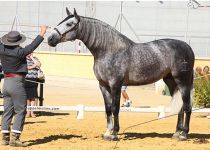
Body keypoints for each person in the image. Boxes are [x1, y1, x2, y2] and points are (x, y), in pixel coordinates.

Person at [0, 25, 48, 147]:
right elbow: (33, 45)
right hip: (17, 83)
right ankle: (15, 138)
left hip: (6, 83)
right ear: (18, 41)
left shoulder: (1, 49)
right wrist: (42, 32)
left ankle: (5, 137)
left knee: (7, 111)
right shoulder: (19, 52)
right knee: (21, 110)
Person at [25, 53, 42, 118]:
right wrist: (34, 66)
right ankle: (28, 112)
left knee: (33, 97)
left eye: (31, 52)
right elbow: (25, 67)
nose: (30, 53)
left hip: (34, 79)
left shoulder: (35, 58)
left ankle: (32, 112)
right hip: (26, 79)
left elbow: (39, 65)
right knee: (27, 97)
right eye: (28, 52)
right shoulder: (23, 59)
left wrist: (32, 58)